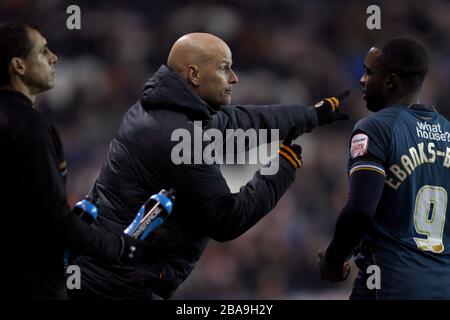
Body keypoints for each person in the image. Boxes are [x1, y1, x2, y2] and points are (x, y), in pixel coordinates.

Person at [72, 32, 349, 300]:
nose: (234, 78)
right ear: (193, 74)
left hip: (109, 276)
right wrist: (283, 167)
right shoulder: (178, 136)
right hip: (120, 286)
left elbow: (238, 123)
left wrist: (310, 115)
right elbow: (227, 219)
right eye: (224, 68)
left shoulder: (165, 111)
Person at [0, 22, 145, 299]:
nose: (54, 58)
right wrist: (119, 247)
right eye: (43, 52)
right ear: (18, 66)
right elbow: (55, 222)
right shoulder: (30, 128)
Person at [319, 38, 450, 299]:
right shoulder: (447, 131)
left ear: (391, 81)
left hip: (389, 284)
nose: (361, 80)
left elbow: (360, 210)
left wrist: (334, 258)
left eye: (368, 72)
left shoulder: (374, 128)